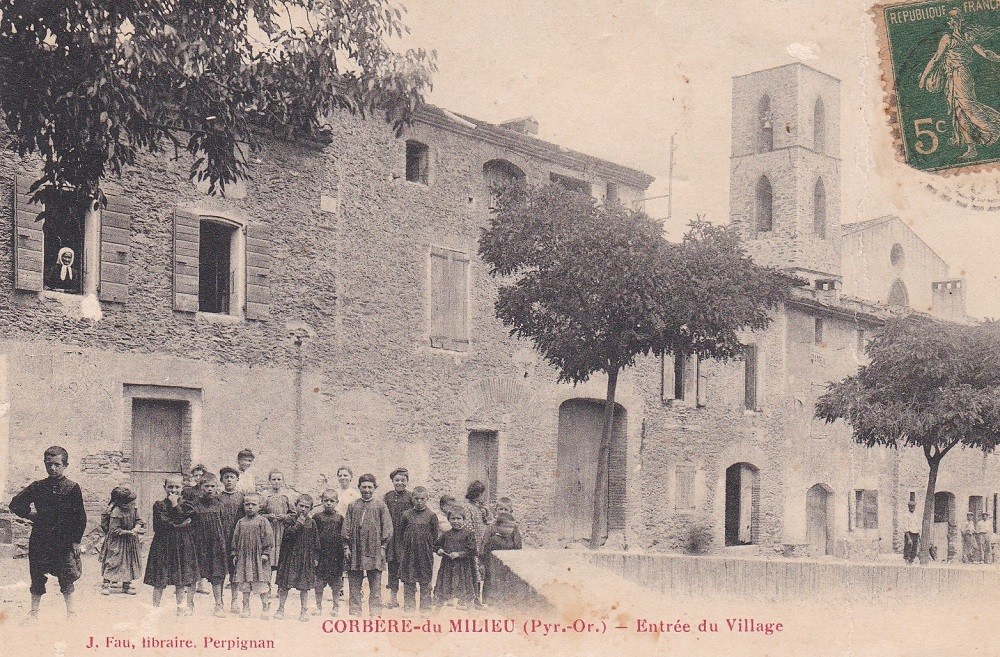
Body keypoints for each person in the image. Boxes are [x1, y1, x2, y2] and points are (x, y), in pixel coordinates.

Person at [9, 446, 87, 621]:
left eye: (57, 464)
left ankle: (71, 613)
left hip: (64, 540)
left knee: (66, 576)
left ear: (65, 465)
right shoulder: (38, 487)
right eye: (48, 464)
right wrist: (30, 514)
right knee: (37, 575)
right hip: (40, 538)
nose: (52, 468)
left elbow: (80, 517)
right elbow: (15, 504)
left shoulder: (72, 487)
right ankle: (34, 614)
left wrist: (76, 541)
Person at [919, 8, 1000, 160]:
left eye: (955, 19)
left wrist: (924, 77)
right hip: (953, 77)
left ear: (956, 21)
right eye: (953, 20)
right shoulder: (957, 37)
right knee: (959, 111)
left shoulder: (955, 37)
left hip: (960, 75)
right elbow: (984, 53)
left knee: (968, 106)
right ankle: (971, 148)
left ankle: (992, 129)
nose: (954, 22)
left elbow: (936, 58)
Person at [143, 474, 199, 615]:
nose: (173, 490)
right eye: (170, 487)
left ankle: (180, 607)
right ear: (164, 488)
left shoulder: (187, 505)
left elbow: (189, 519)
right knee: (159, 579)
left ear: (182, 488)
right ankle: (155, 608)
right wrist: (181, 525)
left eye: (177, 487)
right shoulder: (159, 505)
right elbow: (163, 524)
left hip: (181, 544)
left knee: (180, 578)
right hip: (163, 544)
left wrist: (175, 505)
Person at [342, 474, 393, 617]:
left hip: (375, 549)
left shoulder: (380, 506)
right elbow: (346, 527)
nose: (366, 490)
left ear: (375, 488)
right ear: (358, 488)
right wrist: (346, 547)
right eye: (363, 487)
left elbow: (387, 528)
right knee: (354, 584)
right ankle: (355, 611)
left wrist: (383, 547)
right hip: (355, 549)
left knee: (375, 584)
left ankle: (375, 612)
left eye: (370, 487)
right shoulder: (353, 506)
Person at [275, 494, 320, 622]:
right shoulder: (290, 520)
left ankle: (304, 610)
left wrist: (315, 557)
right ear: (296, 506)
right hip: (290, 557)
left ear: (310, 509)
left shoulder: (312, 523)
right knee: (284, 585)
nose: (303, 509)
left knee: (304, 587)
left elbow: (316, 542)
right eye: (301, 506)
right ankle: (280, 609)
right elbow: (288, 535)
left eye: (307, 507)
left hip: (305, 559)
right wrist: (298, 523)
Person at [191, 474, 230, 617]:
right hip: (199, 545)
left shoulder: (220, 505)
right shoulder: (194, 505)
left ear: (216, 488)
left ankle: (219, 605)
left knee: (217, 575)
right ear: (201, 488)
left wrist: (224, 544)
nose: (209, 489)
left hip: (216, 545)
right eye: (206, 486)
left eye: (212, 486)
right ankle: (189, 604)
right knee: (194, 574)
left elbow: (225, 526)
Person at [232, 493, 275, 619]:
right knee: (245, 584)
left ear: (259, 506)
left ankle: (265, 607)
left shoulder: (263, 521)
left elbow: (269, 538)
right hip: (244, 558)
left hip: (259, 559)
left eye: (253, 504)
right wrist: (234, 553)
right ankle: (246, 607)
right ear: (243, 506)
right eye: (247, 504)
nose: (250, 507)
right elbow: (235, 539)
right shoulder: (240, 522)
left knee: (261, 584)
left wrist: (265, 553)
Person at [398, 486, 438, 615]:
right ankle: (409, 608)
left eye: (422, 499)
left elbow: (434, 535)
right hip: (409, 554)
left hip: (425, 553)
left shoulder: (431, 515)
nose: (419, 501)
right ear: (412, 499)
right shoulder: (406, 514)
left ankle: (425, 609)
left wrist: (428, 547)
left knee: (425, 581)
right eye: (416, 498)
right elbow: (400, 533)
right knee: (409, 580)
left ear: (427, 499)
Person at [99, 486, 143, 596]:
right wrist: (129, 532)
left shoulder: (133, 509)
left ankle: (126, 584)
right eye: (131, 503)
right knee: (113, 560)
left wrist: (137, 527)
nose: (133, 505)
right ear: (123, 504)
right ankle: (106, 583)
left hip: (130, 541)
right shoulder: (116, 512)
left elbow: (139, 520)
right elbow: (114, 530)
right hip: (117, 541)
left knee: (129, 562)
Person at [434, 508, 478, 611]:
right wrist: (439, 550)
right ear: (449, 520)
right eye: (453, 519)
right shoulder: (446, 534)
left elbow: (472, 551)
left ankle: (472, 615)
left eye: (459, 518)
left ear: (464, 519)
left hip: (464, 568)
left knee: (467, 592)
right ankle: (435, 614)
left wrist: (459, 554)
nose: (456, 521)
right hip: (447, 567)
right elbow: (436, 545)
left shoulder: (469, 534)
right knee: (443, 589)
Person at [383, 467, 413, 609]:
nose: (400, 482)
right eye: (397, 480)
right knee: (392, 567)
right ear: (393, 481)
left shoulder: (411, 497)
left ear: (407, 481)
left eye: (403, 480)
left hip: (406, 537)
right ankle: (393, 598)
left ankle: (408, 600)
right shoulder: (387, 497)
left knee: (407, 566)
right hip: (392, 537)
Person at [313, 489, 345, 617]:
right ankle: (318, 606)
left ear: (336, 502)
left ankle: (336, 606)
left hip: (336, 555)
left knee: (336, 583)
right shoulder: (317, 517)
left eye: (332, 501)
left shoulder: (340, 518)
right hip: (321, 555)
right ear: (321, 501)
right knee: (319, 582)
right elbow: (313, 536)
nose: (328, 503)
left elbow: (343, 536)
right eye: (326, 500)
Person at [219, 466, 246, 612]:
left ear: (237, 479)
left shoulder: (242, 497)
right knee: (221, 570)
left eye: (232, 477)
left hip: (237, 539)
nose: (229, 480)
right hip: (222, 538)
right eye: (226, 477)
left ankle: (235, 601)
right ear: (222, 480)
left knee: (235, 571)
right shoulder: (218, 497)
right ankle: (220, 602)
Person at [462, 481, 492, 607]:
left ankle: (477, 599)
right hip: (474, 543)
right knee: (474, 571)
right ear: (476, 494)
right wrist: (473, 545)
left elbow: (489, 522)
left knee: (481, 570)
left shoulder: (481, 507)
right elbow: (469, 527)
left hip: (483, 542)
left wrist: (486, 512)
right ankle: (473, 599)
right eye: (481, 494)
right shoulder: (468, 507)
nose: (482, 497)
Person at [481, 512, 522, 604]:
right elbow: (486, 553)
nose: (509, 529)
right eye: (506, 526)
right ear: (497, 527)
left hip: (505, 566)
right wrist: (483, 565)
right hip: (493, 567)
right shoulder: (493, 540)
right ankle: (489, 601)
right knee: (492, 582)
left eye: (511, 527)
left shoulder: (511, 540)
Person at [261, 470, 291, 580]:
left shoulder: (286, 496)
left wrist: (285, 516)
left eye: (279, 479)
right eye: (274, 479)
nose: (276, 482)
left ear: (283, 481)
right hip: (269, 531)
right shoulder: (265, 497)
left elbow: (293, 514)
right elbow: (259, 513)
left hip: (283, 532)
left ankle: (280, 587)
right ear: (269, 481)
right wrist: (268, 516)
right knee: (268, 558)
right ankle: (267, 585)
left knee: (282, 559)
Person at [903, 500, 921, 565]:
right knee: (908, 547)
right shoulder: (906, 515)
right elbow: (906, 527)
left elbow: (917, 525)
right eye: (911, 506)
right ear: (908, 507)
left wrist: (919, 534)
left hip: (916, 534)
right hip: (909, 534)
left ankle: (911, 561)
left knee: (914, 548)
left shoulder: (915, 515)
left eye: (913, 506)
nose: (912, 508)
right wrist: (909, 538)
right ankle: (906, 561)